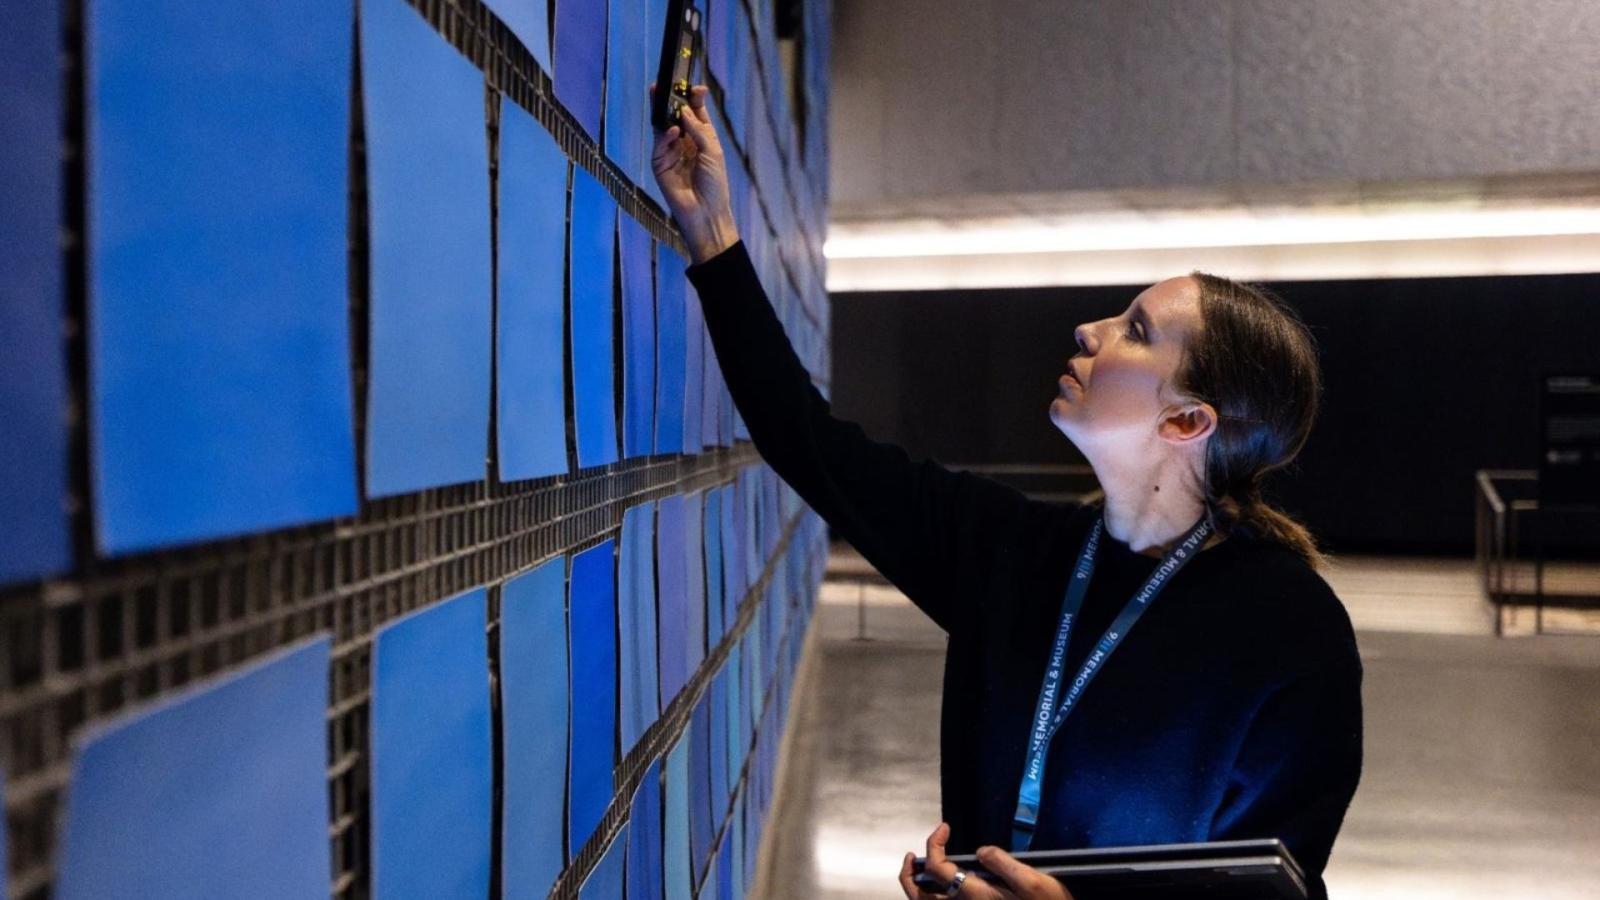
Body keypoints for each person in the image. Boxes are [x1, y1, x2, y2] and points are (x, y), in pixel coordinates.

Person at [650, 83, 1363, 900]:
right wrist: (715, 234)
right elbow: (806, 440)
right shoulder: (1012, 552)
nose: (1088, 331)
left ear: (1186, 422)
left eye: (1135, 330)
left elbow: (1270, 890)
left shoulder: (1292, 631)